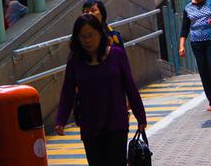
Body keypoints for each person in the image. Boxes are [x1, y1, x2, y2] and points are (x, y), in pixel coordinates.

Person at [55, 15, 146, 165]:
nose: (87, 40)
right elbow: (67, 91)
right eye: (82, 37)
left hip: (116, 121)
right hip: (90, 125)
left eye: (91, 35)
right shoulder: (75, 62)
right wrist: (61, 120)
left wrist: (140, 116)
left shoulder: (117, 55)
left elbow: (130, 86)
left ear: (100, 33)